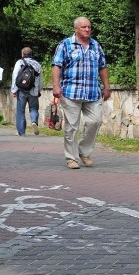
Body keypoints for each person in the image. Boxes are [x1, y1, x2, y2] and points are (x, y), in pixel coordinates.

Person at [52, 16, 110, 169]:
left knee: (95, 122)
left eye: (89, 27)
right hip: (70, 93)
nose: (87, 29)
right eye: (84, 27)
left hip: (92, 92)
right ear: (76, 29)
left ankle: (84, 151)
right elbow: (57, 65)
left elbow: (102, 67)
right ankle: (71, 158)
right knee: (72, 127)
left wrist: (106, 86)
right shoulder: (65, 45)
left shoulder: (96, 46)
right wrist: (56, 86)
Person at [11, 47, 43, 136]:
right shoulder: (37, 64)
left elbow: (15, 76)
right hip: (34, 90)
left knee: (20, 111)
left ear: (22, 54)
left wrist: (14, 90)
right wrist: (39, 89)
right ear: (31, 54)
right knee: (33, 108)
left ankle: (21, 131)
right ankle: (34, 122)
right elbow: (40, 79)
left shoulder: (19, 62)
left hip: (22, 90)